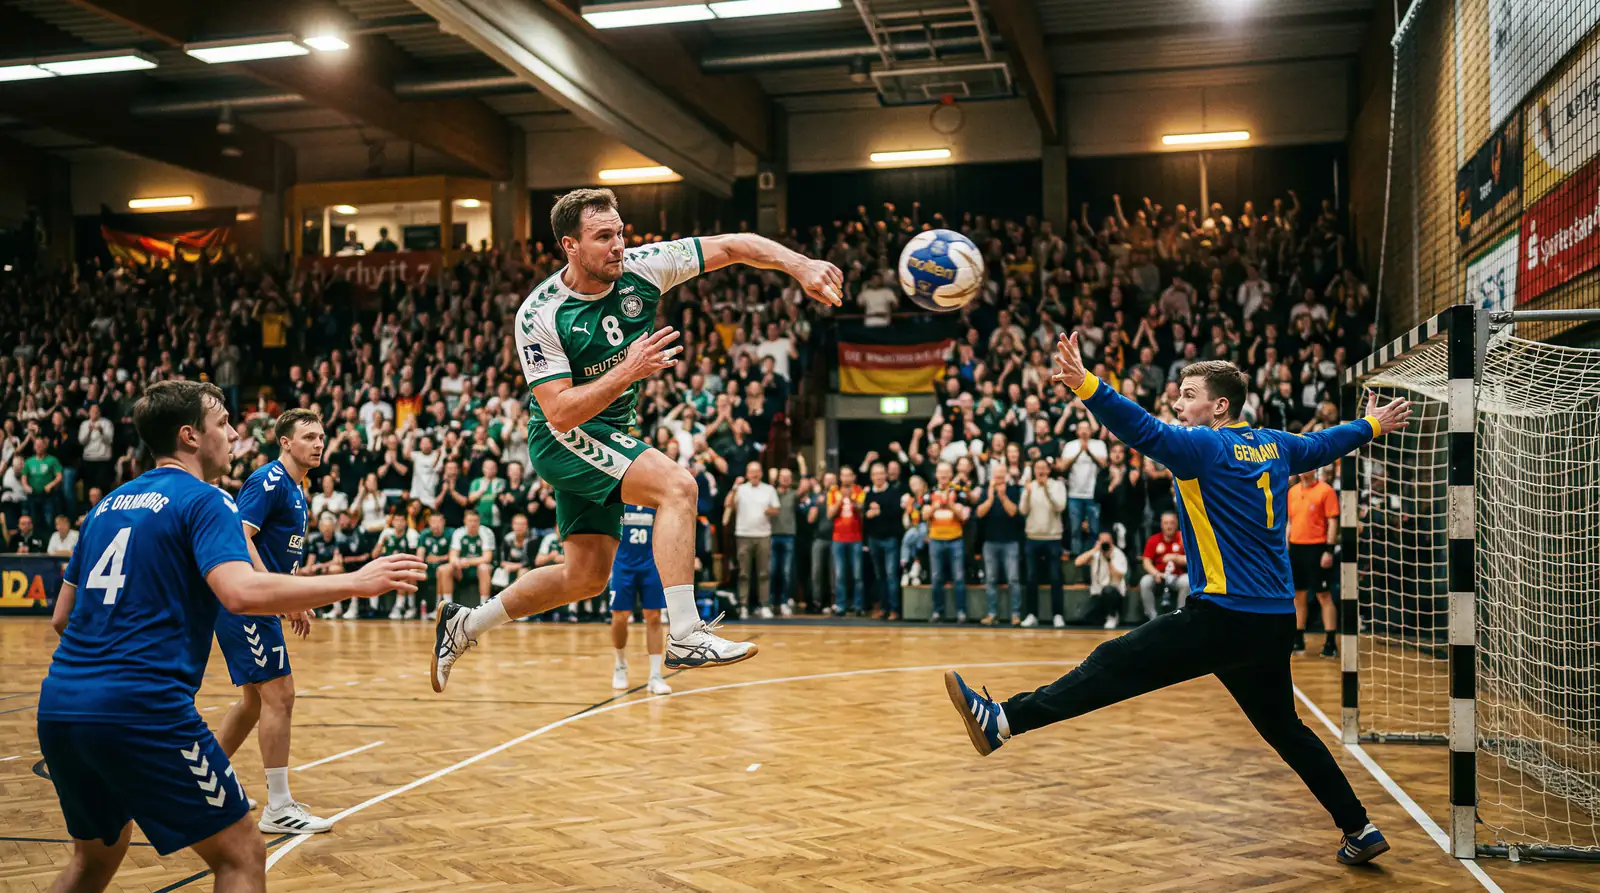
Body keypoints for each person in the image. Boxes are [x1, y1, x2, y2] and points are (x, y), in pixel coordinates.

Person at [945, 338, 1412, 866]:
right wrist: (1371, 426)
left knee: (1113, 662)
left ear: (1220, 407)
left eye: (1188, 395)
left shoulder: (1202, 447)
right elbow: (1327, 442)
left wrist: (1085, 385)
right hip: (1273, 620)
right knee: (1288, 732)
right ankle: (1360, 828)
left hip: (1223, 615)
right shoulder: (1278, 445)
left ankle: (1002, 721)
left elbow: (1141, 429)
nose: (1177, 403)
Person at [432, 187, 841, 690]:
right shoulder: (539, 314)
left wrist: (800, 265)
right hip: (563, 436)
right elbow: (559, 412)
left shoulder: (645, 266)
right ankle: (686, 633)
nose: (618, 245)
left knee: (585, 577)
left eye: (620, 232)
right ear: (570, 246)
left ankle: (465, 624)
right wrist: (628, 371)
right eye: (603, 236)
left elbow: (735, 245)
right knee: (678, 486)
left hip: (609, 431)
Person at [38, 380, 422, 893]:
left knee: (93, 863)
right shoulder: (207, 500)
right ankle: (275, 803)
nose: (234, 433)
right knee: (242, 853)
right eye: (223, 423)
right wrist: (356, 581)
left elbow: (63, 617)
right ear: (190, 436)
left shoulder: (105, 506)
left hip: (60, 705)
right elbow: (239, 593)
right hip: (141, 707)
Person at [212, 407, 335, 835]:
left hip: (260, 600)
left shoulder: (298, 490)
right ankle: (278, 807)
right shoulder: (269, 481)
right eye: (308, 437)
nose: (318, 443)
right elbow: (239, 537)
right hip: (248, 601)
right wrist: (279, 597)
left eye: (321, 436)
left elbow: (278, 551)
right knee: (280, 695)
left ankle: (202, 785)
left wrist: (292, 595)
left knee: (253, 702)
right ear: (285, 442)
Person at [609, 504, 671, 695]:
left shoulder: (654, 500)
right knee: (620, 616)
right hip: (622, 564)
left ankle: (655, 675)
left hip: (650, 563)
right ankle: (620, 664)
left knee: (653, 616)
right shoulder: (618, 498)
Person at [1288, 467, 1340, 657]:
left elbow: (1333, 522)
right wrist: (1287, 548)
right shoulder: (1292, 492)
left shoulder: (1325, 491)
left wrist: (1328, 550)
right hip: (1296, 547)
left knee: (1323, 595)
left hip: (1317, 548)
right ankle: (1298, 639)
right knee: (1298, 595)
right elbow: (1291, 523)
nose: (1303, 469)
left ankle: (1330, 642)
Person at [1019, 459, 1067, 628]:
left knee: (1055, 577)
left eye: (1043, 468)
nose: (1040, 471)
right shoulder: (1029, 486)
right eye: (1037, 468)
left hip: (1053, 538)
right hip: (1032, 538)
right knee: (1031, 578)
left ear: (1048, 470)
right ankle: (1032, 614)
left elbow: (1060, 507)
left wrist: (1046, 489)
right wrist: (1027, 493)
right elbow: (1022, 510)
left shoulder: (1057, 486)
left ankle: (1058, 615)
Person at [728, 460, 779, 619]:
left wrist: (768, 510)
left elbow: (776, 509)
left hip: (763, 535)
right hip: (743, 534)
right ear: (747, 474)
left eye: (757, 471)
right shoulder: (741, 489)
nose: (755, 474)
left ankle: (764, 605)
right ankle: (743, 605)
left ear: (761, 473)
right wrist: (734, 488)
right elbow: (729, 504)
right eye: (752, 471)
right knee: (744, 573)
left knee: (764, 573)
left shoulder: (769, 489)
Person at [1071, 531, 1130, 629]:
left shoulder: (1118, 554)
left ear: (1112, 542)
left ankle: (1112, 615)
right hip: (1097, 594)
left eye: (1107, 542)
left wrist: (1109, 560)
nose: (1105, 544)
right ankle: (1103, 616)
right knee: (1081, 617)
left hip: (1114, 594)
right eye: (1102, 541)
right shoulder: (1095, 553)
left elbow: (1118, 576)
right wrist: (1094, 550)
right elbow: (1077, 562)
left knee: (1108, 590)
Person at [1139, 512, 1190, 620]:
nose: (1169, 526)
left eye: (1172, 523)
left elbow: (1191, 560)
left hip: (1178, 576)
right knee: (1145, 581)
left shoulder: (1183, 538)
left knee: (1187, 582)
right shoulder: (1154, 540)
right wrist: (1156, 573)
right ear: (1161, 525)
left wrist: (1175, 558)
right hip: (1159, 576)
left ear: (1176, 524)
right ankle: (1151, 617)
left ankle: (1180, 617)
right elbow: (1146, 562)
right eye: (1166, 523)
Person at [446, 509, 496, 608]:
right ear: (464, 521)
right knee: (444, 569)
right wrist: (457, 564)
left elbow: (487, 558)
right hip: (462, 568)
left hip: (481, 567)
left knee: (483, 568)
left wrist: (467, 561)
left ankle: (484, 607)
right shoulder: (459, 532)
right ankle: (448, 607)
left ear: (479, 521)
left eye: (476, 521)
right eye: (470, 521)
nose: (473, 524)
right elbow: (452, 556)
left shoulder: (486, 532)